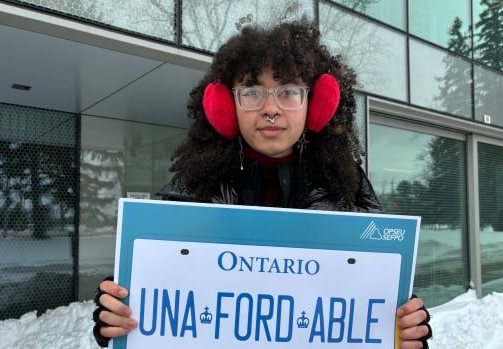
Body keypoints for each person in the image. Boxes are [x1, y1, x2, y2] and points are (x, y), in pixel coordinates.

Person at [92, 20, 432, 349]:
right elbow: (152, 297)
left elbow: (375, 299)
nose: (270, 109)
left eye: (288, 91)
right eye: (252, 92)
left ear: (314, 104)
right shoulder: (190, 191)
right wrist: (116, 314)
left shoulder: (349, 189)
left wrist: (405, 326)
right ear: (227, 106)